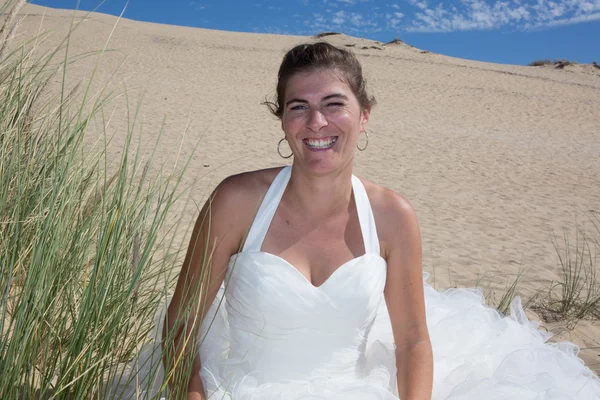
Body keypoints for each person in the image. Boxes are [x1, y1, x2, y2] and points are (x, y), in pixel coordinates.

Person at [161, 42, 600, 400]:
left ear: (364, 116)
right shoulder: (236, 202)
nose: (317, 122)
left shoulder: (393, 217)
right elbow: (181, 325)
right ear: (283, 120)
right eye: (299, 107)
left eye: (334, 104)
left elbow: (413, 344)